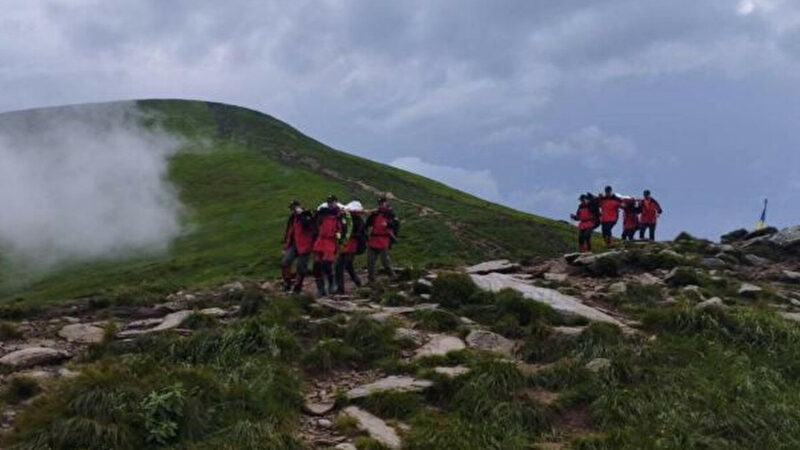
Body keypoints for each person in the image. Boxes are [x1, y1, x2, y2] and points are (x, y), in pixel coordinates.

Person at [312, 195, 344, 297]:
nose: (330, 204)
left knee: (327, 263)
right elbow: (316, 223)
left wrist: (338, 239)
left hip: (330, 241)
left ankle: (332, 283)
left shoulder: (339, 215)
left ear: (336, 202)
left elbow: (340, 230)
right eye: (329, 202)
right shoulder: (323, 213)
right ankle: (321, 289)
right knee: (316, 265)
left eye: (332, 202)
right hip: (320, 240)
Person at [281, 200, 315, 293]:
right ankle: (287, 283)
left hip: (305, 245)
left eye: (294, 208)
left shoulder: (307, 214)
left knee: (301, 267)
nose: (293, 210)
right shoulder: (292, 218)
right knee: (285, 262)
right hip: (294, 244)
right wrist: (286, 244)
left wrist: (301, 214)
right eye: (292, 208)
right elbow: (289, 231)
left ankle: (298, 287)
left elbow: (308, 225)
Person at [335, 201, 366, 294]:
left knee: (340, 267)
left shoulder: (357, 221)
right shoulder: (348, 219)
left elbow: (355, 233)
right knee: (348, 266)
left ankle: (340, 290)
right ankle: (358, 282)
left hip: (351, 246)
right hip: (346, 246)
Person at [366, 196, 399, 284]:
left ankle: (392, 276)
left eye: (383, 203)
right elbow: (368, 223)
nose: (381, 205)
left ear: (386, 203)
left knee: (385, 261)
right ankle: (371, 279)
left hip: (384, 239)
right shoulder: (375, 213)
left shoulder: (390, 213)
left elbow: (396, 224)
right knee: (370, 261)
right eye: (380, 203)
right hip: (373, 239)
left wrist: (388, 223)